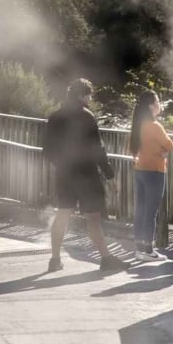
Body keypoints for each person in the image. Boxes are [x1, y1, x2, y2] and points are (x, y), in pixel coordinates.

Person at [41, 79, 114, 274]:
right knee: (93, 218)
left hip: (64, 173)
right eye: (89, 95)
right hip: (87, 174)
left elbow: (47, 149)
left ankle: (55, 259)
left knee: (62, 214)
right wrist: (108, 172)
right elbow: (98, 148)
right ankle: (106, 259)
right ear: (82, 96)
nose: (90, 98)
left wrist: (61, 164)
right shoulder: (86, 116)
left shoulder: (55, 116)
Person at [129, 90, 172, 259]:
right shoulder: (154, 126)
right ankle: (148, 250)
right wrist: (163, 151)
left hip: (140, 170)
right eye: (157, 101)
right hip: (155, 171)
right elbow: (169, 144)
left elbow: (134, 147)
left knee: (140, 209)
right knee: (151, 211)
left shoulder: (138, 124)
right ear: (151, 105)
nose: (159, 104)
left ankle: (139, 248)